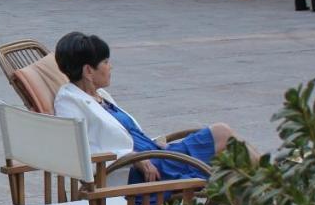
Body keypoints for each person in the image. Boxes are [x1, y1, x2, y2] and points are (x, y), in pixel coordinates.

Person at [52, 31, 252, 195]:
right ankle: (274, 184)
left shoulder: (99, 94)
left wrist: (154, 144)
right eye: (105, 62)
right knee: (224, 141)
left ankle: (272, 184)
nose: (110, 66)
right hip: (139, 172)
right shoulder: (68, 101)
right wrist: (132, 157)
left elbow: (128, 132)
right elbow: (78, 152)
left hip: (156, 154)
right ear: (88, 71)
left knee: (224, 140)